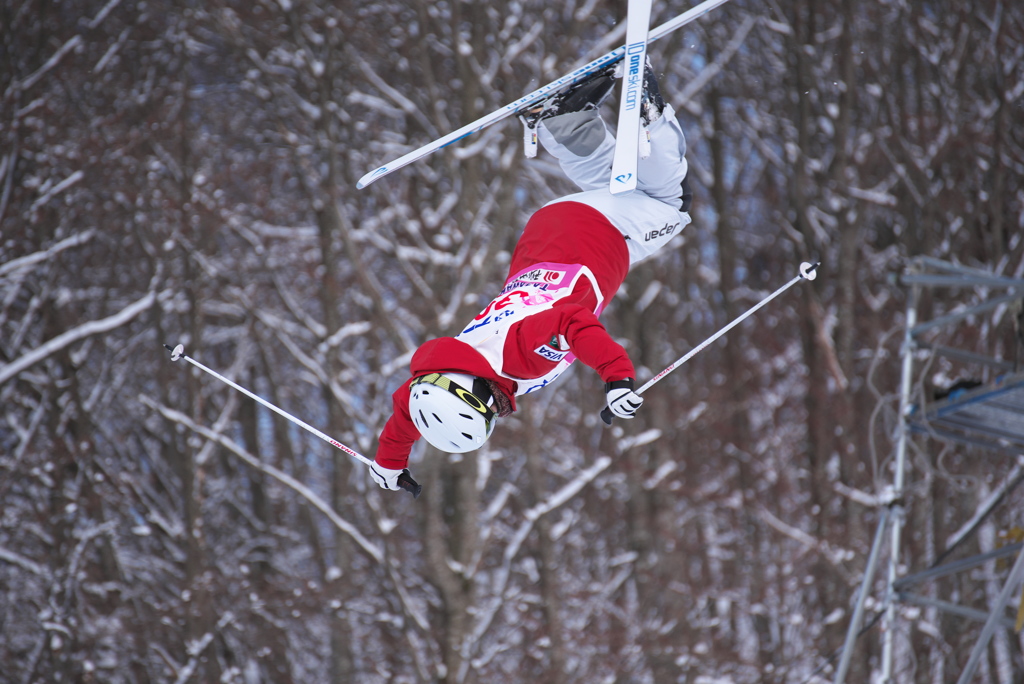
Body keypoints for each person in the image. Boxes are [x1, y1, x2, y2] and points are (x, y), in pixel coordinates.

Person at [370, 62, 693, 492]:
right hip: (553, 243)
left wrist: (617, 378)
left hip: (588, 235)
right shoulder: (448, 363)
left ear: (483, 401)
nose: (498, 413)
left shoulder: (522, 357)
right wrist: (389, 463)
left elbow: (571, 323)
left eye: (489, 413)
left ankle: (648, 118)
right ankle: (565, 120)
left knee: (670, 204)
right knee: (626, 195)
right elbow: (408, 411)